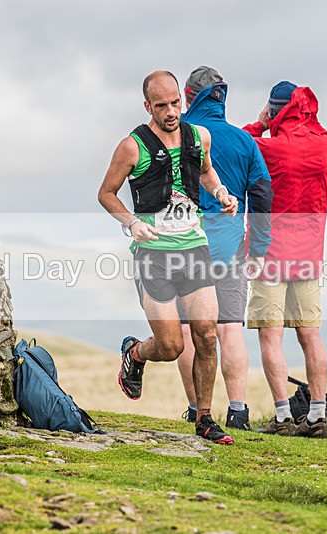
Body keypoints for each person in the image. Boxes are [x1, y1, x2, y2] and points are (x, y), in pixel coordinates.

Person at [97, 70, 239, 445]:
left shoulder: (199, 136)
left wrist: (222, 193)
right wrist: (131, 223)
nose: (171, 111)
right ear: (148, 106)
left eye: (176, 103)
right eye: (162, 106)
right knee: (173, 346)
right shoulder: (132, 146)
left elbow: (205, 171)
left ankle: (206, 420)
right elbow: (107, 193)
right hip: (152, 255)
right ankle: (136, 353)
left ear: (183, 100)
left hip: (193, 248)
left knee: (207, 334)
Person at [243, 82, 327, 439]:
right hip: (309, 255)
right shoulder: (324, 144)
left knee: (271, 336)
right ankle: (318, 415)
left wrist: (260, 124)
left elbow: (238, 146)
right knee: (310, 334)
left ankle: (281, 418)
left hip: (269, 254)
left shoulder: (270, 147)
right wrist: (314, 127)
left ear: (275, 110)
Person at [175, 66, 272, 430]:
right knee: (229, 327)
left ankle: (194, 408)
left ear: (187, 95)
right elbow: (262, 197)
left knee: (187, 329)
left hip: (184, 243)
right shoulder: (244, 142)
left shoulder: (177, 136)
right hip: (230, 245)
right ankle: (238, 410)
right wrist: (258, 249)